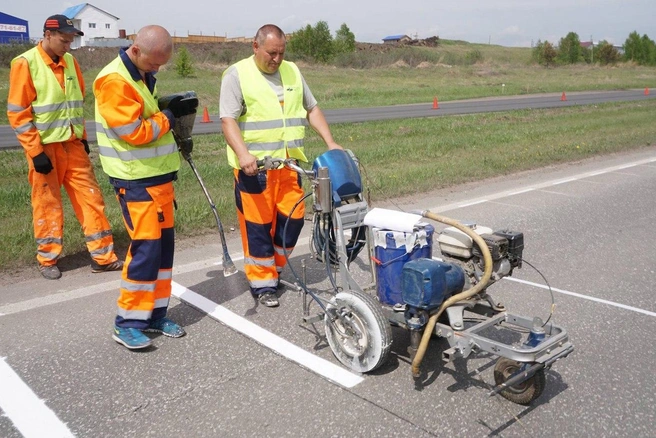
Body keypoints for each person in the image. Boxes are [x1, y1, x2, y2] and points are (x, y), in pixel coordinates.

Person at [220, 24, 343, 308]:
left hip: (288, 166)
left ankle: (274, 268)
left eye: (281, 53)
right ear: (255, 46)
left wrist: (330, 141)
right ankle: (262, 283)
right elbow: (228, 120)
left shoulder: (292, 71)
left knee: (294, 219)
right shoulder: (237, 74)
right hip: (256, 169)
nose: (276, 59)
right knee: (258, 227)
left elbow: (311, 108)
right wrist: (243, 154)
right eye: (271, 53)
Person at [93, 25, 196, 350]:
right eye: (154, 63)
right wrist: (168, 115)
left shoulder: (139, 74)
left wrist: (166, 106)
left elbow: (146, 114)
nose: (157, 69)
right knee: (145, 250)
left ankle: (154, 315)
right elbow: (135, 133)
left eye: (161, 64)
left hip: (159, 179)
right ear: (135, 50)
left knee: (163, 252)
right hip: (134, 181)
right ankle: (127, 323)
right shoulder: (114, 81)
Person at [6, 14, 123, 280]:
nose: (68, 46)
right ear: (47, 35)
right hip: (45, 149)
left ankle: (103, 257)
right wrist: (35, 152)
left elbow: (76, 101)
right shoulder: (25, 63)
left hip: (73, 145)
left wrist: (81, 138)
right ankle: (47, 259)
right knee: (47, 203)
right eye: (64, 40)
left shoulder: (70, 61)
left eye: (71, 41)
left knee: (91, 198)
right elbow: (18, 112)